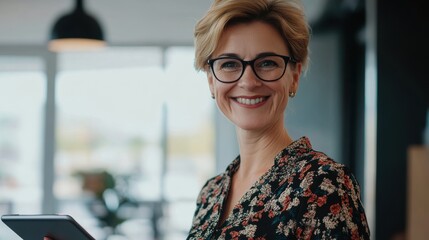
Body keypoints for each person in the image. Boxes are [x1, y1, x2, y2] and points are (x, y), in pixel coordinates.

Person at [186, 0, 370, 239]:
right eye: (229, 64)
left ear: (294, 76)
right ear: (212, 81)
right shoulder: (210, 193)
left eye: (267, 63)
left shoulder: (324, 184)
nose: (249, 82)